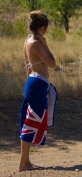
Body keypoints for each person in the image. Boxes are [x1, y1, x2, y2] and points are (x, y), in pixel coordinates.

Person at [19, 10, 56, 171]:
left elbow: (27, 66)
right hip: (37, 84)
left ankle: (25, 161)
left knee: (29, 121)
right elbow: (52, 63)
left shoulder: (27, 41)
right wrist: (45, 44)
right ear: (42, 28)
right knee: (31, 122)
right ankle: (24, 163)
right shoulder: (36, 43)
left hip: (32, 82)